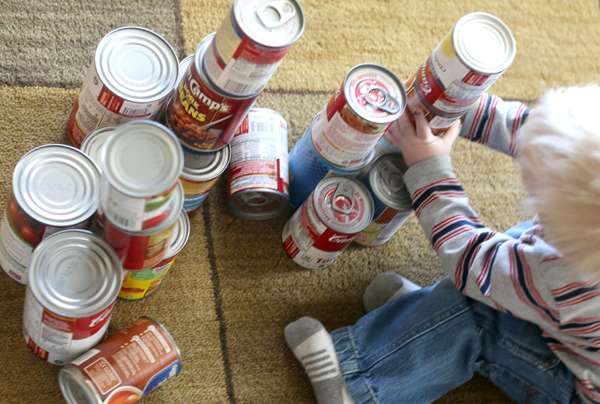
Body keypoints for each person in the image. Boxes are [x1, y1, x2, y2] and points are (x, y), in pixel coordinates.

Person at [284, 85, 600, 404]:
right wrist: (453, 104)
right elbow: (542, 137)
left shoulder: (567, 278)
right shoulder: (586, 235)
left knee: (480, 307)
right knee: (514, 260)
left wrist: (429, 169)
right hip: (581, 327)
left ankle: (360, 381)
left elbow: (470, 258)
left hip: (569, 385)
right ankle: (418, 321)